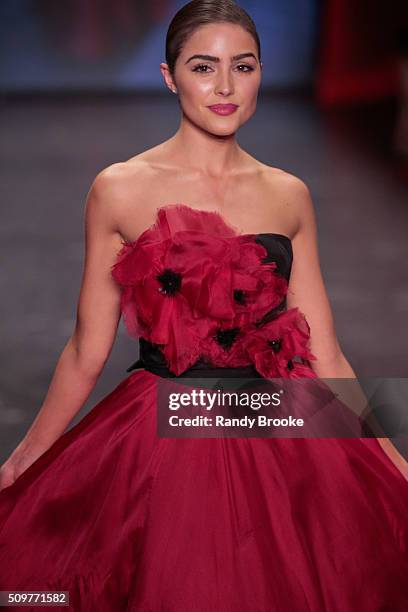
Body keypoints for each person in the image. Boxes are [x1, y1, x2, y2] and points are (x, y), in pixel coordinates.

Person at [0, 1, 407, 610]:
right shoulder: (120, 188)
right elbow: (88, 347)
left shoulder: (288, 194)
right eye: (203, 67)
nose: (224, 87)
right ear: (169, 76)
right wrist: (22, 461)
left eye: (242, 67)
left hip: (280, 433)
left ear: (261, 73)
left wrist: (393, 456)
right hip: (165, 436)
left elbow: (326, 351)